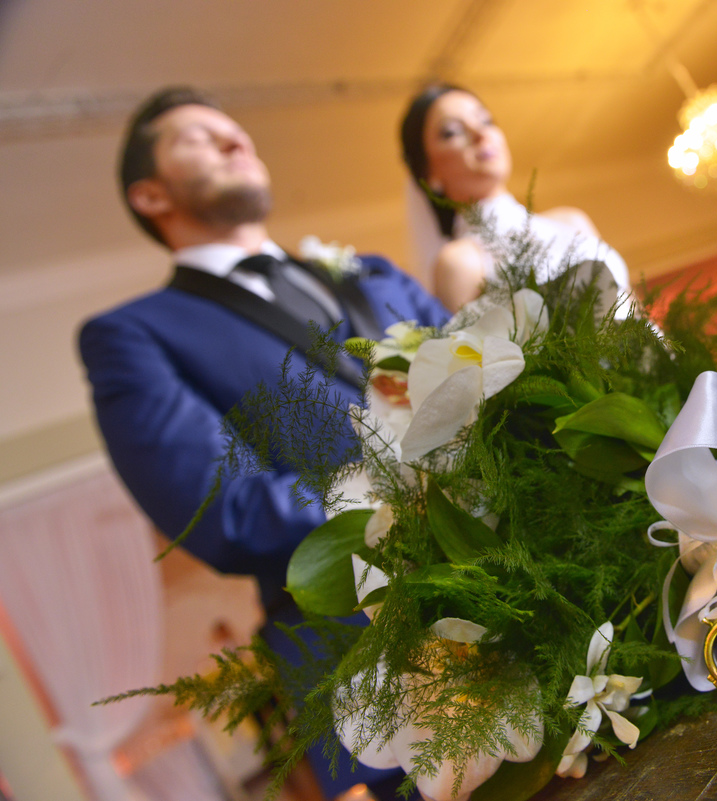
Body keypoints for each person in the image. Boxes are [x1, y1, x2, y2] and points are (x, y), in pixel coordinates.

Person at [78, 86, 450, 799]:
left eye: (235, 130)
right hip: (371, 648)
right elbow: (226, 511)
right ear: (151, 196)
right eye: (197, 137)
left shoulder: (373, 273)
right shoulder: (134, 334)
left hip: (539, 577)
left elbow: (492, 385)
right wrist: (404, 487)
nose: (232, 140)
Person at [399, 84, 631, 312]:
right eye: (452, 131)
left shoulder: (571, 221)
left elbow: (633, 310)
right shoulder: (460, 263)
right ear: (429, 175)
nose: (481, 134)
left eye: (486, 120)